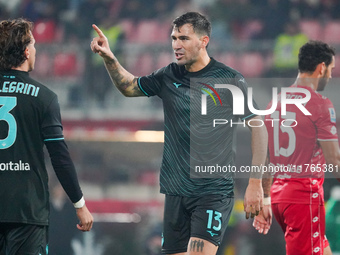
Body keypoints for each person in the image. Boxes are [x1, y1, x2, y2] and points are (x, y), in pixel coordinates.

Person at [91, 12, 268, 255]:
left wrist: (255, 183)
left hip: (212, 190)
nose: (176, 44)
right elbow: (130, 87)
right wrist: (110, 58)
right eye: (174, 38)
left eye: (183, 38)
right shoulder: (168, 75)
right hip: (176, 191)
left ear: (203, 41)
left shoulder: (229, 80)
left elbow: (258, 127)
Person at [0, 18, 93, 255]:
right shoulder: (44, 97)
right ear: (26, 50)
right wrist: (79, 204)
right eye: (34, 44)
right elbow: (59, 156)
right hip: (27, 209)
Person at [254, 40, 340, 255]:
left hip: (279, 197)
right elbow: (335, 161)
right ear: (321, 67)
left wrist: (265, 198)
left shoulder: (274, 101)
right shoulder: (319, 104)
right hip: (304, 197)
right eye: (331, 70)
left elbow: (264, 157)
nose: (330, 76)